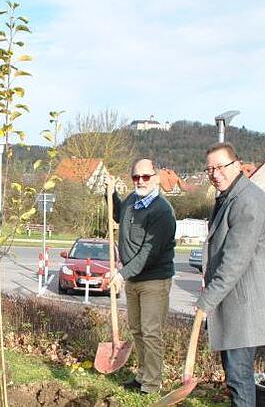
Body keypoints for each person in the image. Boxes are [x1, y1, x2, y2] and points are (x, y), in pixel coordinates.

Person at [196, 142, 265, 407]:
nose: (215, 174)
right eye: (209, 169)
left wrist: (205, 303)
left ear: (237, 165)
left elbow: (233, 263)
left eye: (221, 166)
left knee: (238, 376)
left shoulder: (247, 203)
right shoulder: (231, 196)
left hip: (245, 307)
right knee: (236, 374)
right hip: (237, 303)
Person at [108, 158, 176, 394]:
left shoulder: (162, 211)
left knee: (150, 332)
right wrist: (111, 195)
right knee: (137, 330)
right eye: (135, 177)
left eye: (145, 177)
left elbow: (149, 252)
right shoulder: (132, 201)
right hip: (134, 279)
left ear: (155, 178)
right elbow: (118, 215)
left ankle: (152, 384)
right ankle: (142, 375)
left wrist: (121, 273)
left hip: (154, 280)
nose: (140, 181)